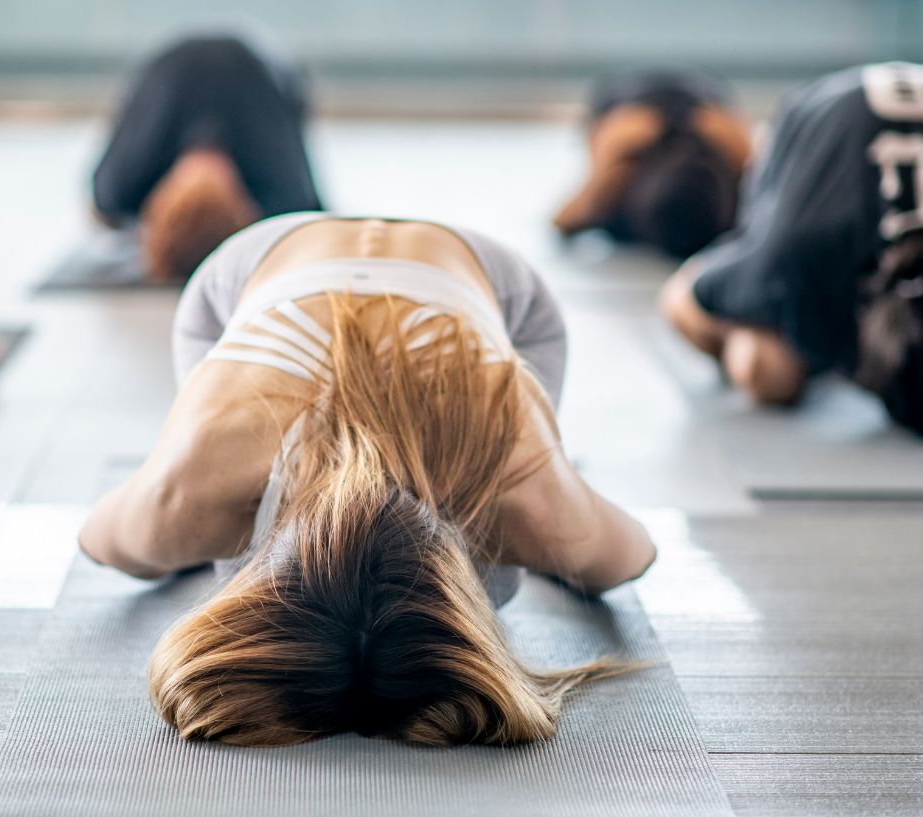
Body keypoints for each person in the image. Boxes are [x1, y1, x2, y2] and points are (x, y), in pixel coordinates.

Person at [78, 213, 656, 746]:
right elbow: (103, 543)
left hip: (474, 296)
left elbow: (630, 556)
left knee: (521, 562)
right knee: (177, 538)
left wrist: (557, 516)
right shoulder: (190, 489)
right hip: (277, 275)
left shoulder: (523, 494)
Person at [661, 62, 923, 439]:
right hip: (816, 115)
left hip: (916, 99)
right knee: (767, 370)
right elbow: (685, 299)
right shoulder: (795, 258)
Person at [90, 33, 324, 284]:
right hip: (257, 65)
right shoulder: (283, 191)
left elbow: (103, 213)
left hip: (179, 62)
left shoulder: (122, 187)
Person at [554, 68, 752, 259]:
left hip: (630, 109)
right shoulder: (724, 162)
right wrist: (746, 158)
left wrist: (603, 172)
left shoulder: (618, 182)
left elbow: (563, 221)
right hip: (703, 104)